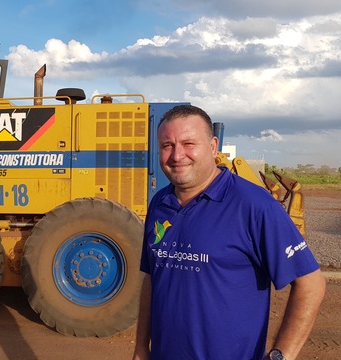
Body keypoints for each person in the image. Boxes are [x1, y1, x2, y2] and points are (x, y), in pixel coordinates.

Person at [132, 105, 325, 360]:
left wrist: (280, 356)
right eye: (167, 145)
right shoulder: (159, 204)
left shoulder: (254, 206)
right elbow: (151, 278)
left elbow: (311, 284)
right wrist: (140, 347)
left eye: (189, 143)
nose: (177, 155)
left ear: (213, 147)